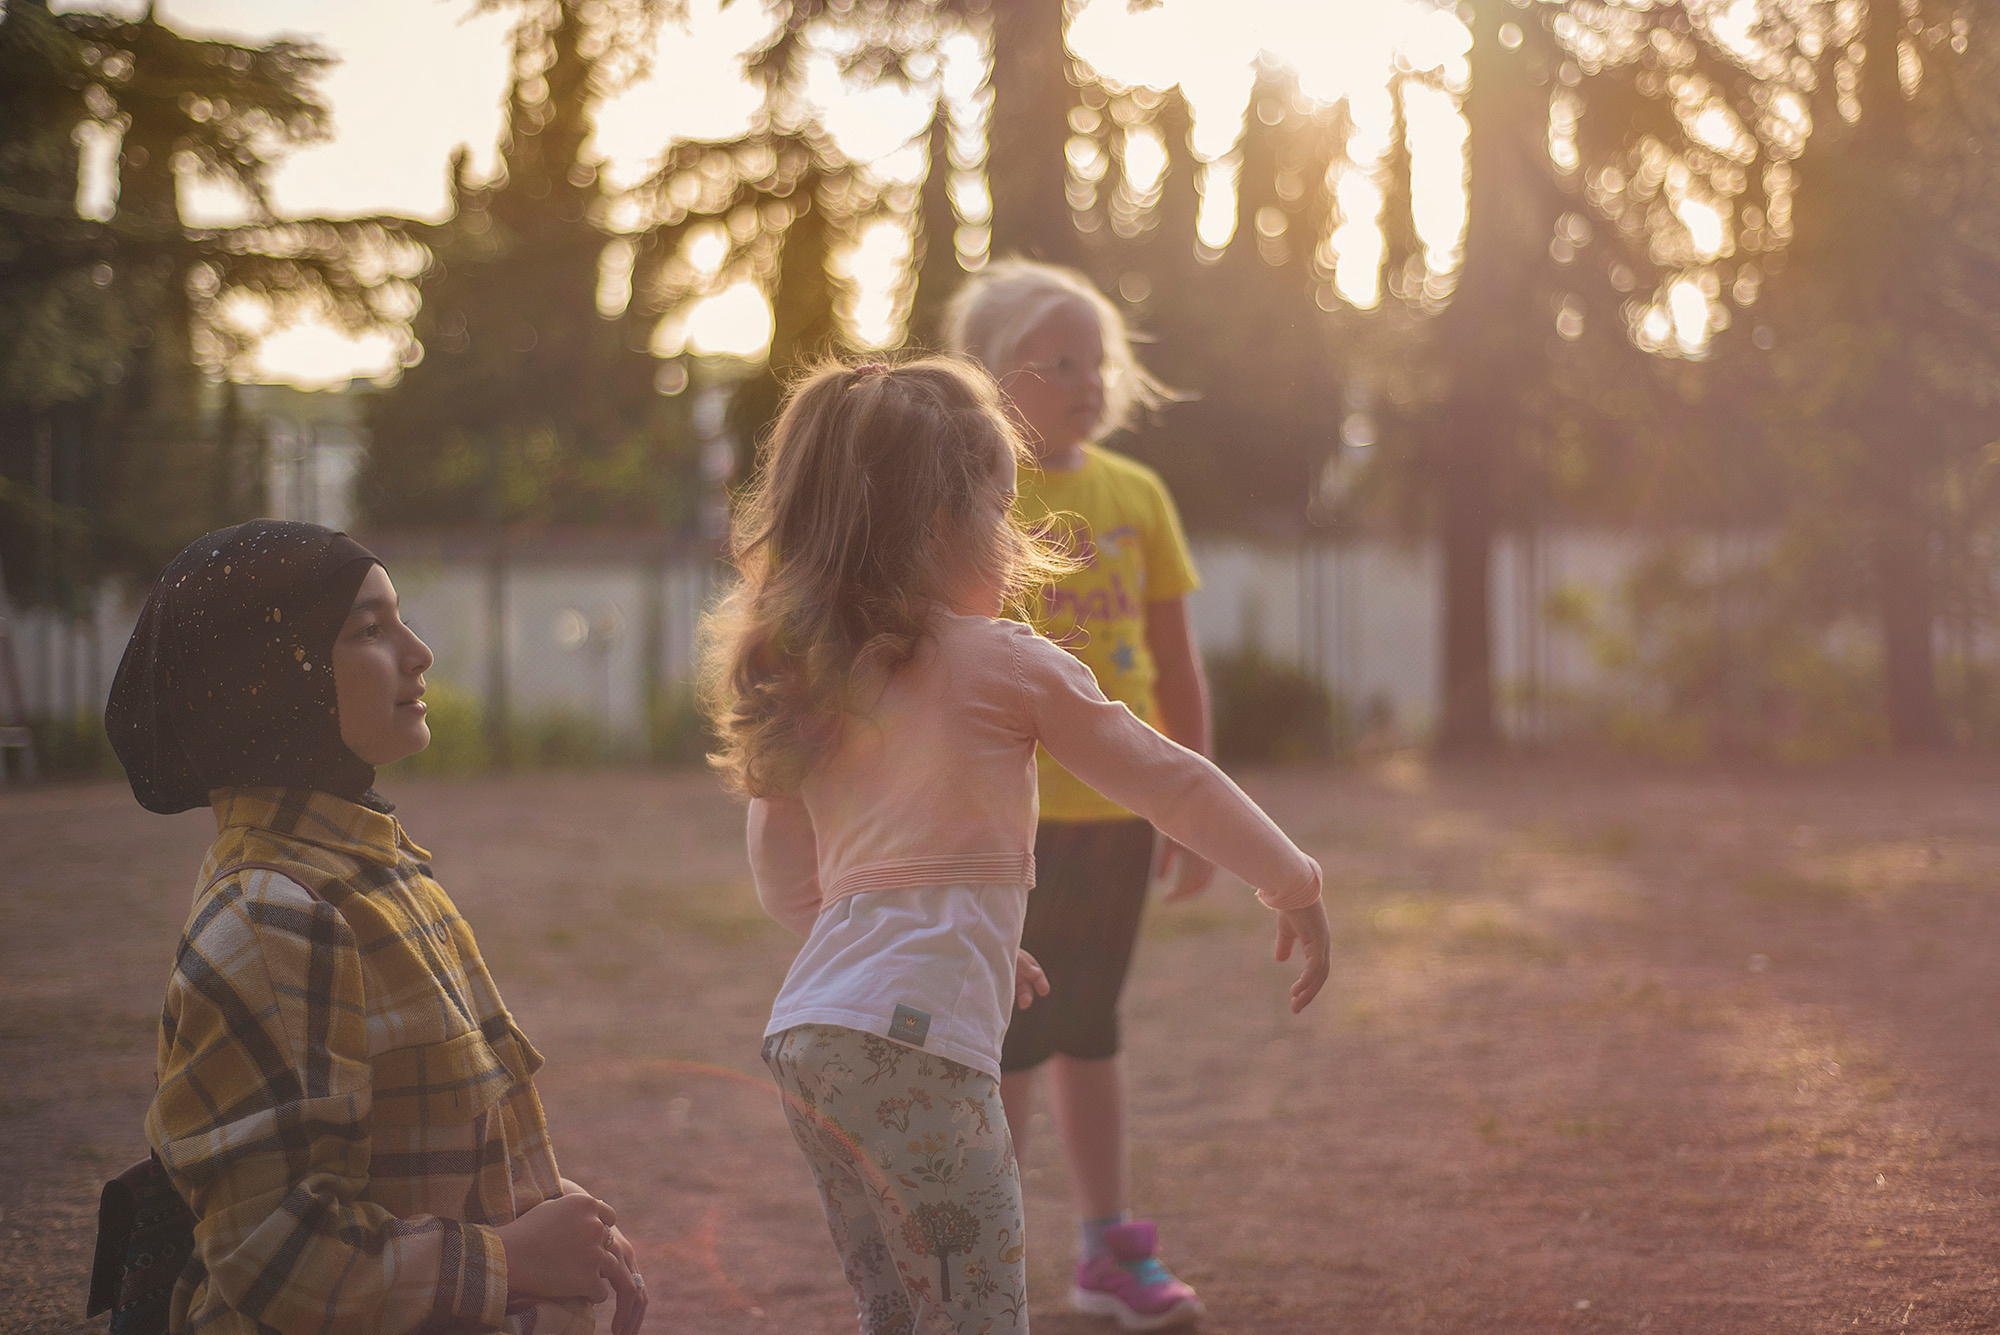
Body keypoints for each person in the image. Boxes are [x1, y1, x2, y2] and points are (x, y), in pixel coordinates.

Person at [700, 357, 1330, 1335]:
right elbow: (1170, 780)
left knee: (899, 1312)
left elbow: (787, 875)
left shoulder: (817, 675)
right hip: (915, 1060)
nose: (1015, 532)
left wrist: (958, 945)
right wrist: (1291, 880)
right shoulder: (1007, 665)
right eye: (1002, 505)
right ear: (947, 524)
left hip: (809, 1038)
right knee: (977, 1315)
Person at [104, 519, 648, 1335]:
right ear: (269, 679)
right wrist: (511, 1261)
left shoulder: (370, 871)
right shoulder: (272, 920)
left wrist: (553, 1214)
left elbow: (418, 1148)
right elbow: (276, 1253)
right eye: (368, 628)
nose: (418, 650)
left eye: (400, 617)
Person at [943, 259, 1215, 1329]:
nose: (1089, 381)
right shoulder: (968, 500)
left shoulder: (1138, 495)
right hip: (1000, 824)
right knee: (1001, 1039)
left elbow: (1175, 664)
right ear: (991, 376)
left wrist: (1190, 807)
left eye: (1098, 361)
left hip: (1113, 820)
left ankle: (1106, 1247)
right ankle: (982, 1249)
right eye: (1061, 362)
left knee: (1091, 1026)